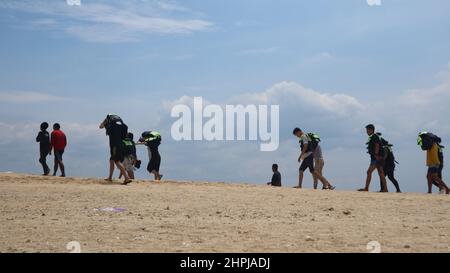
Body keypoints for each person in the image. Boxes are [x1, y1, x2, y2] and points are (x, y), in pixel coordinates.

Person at [99, 114, 131, 185]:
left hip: (114, 146)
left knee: (117, 161)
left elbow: (100, 126)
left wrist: (105, 121)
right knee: (111, 160)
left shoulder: (110, 123)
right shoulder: (121, 125)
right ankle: (110, 177)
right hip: (120, 144)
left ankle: (126, 178)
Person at [358, 124, 388, 192]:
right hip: (377, 157)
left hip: (376, 158)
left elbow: (377, 145)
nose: (366, 132)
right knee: (381, 173)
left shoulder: (374, 136)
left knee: (369, 172)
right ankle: (385, 189)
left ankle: (366, 188)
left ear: (371, 130)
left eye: (367, 130)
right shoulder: (374, 136)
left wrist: (376, 155)